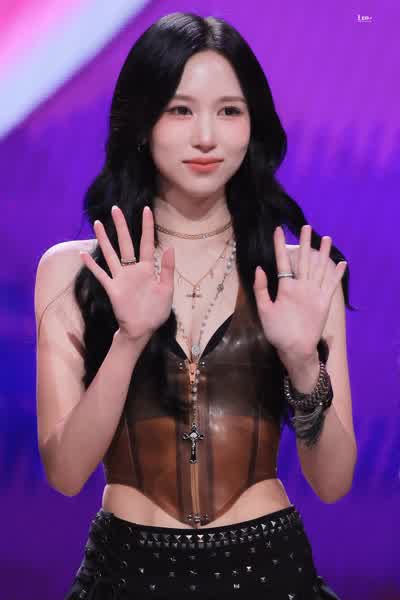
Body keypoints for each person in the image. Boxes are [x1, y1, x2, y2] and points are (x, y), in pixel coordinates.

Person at [34, 12, 357, 600]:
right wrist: (128, 340)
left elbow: (333, 483)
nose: (206, 136)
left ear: (253, 124)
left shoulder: (299, 275)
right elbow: (66, 473)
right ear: (142, 121)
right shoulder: (74, 272)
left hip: (269, 570)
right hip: (127, 573)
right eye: (180, 110)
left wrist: (304, 364)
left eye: (229, 111)